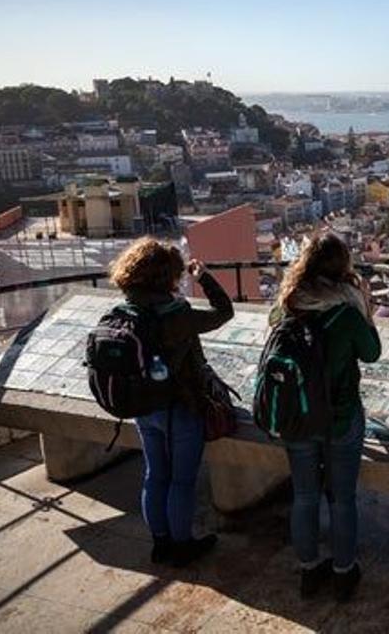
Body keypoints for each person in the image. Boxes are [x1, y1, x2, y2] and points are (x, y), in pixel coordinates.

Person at [108, 237, 234, 567]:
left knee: (155, 474)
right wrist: (203, 276)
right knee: (181, 479)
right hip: (180, 407)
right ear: (169, 276)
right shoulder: (176, 314)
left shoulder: (124, 311)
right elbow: (224, 311)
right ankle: (182, 544)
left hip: (141, 407)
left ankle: (160, 543)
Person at [271, 232, 380, 600]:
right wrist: (365, 308)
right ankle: (343, 571)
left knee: (303, 496)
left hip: (297, 417)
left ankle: (308, 570)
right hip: (339, 417)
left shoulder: (288, 302)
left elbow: (271, 332)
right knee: (341, 498)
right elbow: (372, 353)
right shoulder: (346, 312)